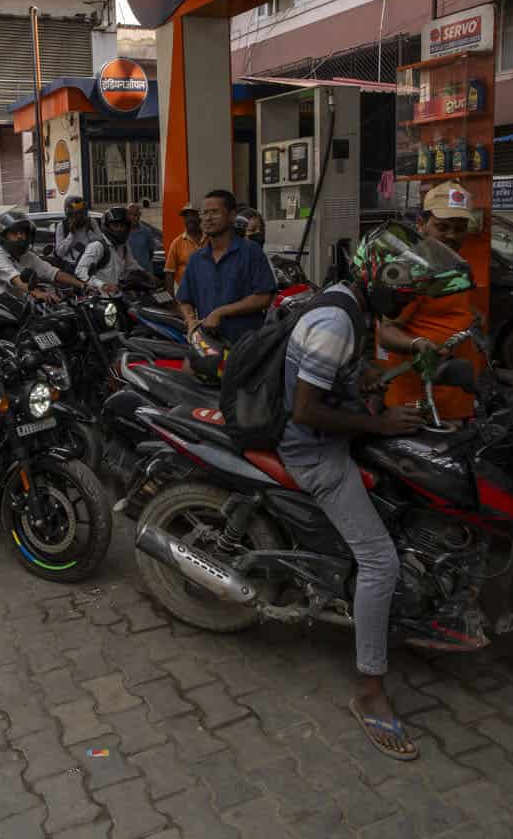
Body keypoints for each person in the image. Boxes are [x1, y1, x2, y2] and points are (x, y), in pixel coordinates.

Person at [279, 233, 429, 761]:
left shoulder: (351, 305)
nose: (407, 303)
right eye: (403, 293)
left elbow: (344, 371)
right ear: (377, 283)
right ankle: (368, 691)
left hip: (333, 433)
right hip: (312, 450)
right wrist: (380, 423)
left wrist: (376, 379)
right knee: (379, 560)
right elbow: (306, 410)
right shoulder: (336, 321)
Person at [376, 183, 485, 423]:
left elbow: (440, 310)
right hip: (421, 406)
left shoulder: (454, 266)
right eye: (442, 227)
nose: (452, 236)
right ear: (421, 225)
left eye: (459, 228)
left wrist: (470, 315)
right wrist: (418, 343)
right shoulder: (410, 272)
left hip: (455, 400)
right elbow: (386, 332)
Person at [176, 190, 276, 343]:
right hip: (208, 343)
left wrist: (220, 312)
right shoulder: (196, 259)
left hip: (246, 345)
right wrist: (190, 321)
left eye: (215, 212)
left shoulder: (251, 252)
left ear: (232, 215)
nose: (208, 218)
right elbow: (184, 299)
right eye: (204, 213)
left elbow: (264, 297)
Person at [0, 209, 84, 307]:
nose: (20, 236)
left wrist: (81, 285)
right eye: (14, 233)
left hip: (20, 305)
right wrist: (40, 294)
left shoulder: (27, 256)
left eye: (22, 232)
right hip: (0, 310)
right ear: (3, 236)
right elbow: (18, 281)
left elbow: (52, 272)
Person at [75, 204, 137, 293]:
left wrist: (148, 276)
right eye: (115, 225)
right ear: (107, 226)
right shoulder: (98, 246)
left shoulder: (123, 247)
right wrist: (102, 285)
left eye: (122, 225)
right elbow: (80, 270)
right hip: (99, 299)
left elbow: (132, 265)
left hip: (117, 297)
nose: (119, 229)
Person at [164, 203, 205, 293]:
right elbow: (169, 272)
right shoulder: (177, 243)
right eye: (186, 217)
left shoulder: (210, 240)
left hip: (207, 292)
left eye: (192, 215)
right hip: (184, 293)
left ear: (199, 218)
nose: (189, 219)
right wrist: (171, 298)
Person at [53, 195, 100, 264]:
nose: (79, 217)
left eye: (81, 213)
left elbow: (101, 244)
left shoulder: (91, 223)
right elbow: (60, 252)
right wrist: (71, 234)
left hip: (90, 264)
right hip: (71, 266)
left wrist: (89, 232)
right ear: (69, 214)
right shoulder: (62, 226)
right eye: (76, 214)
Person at [125, 201, 158, 273]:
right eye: (130, 214)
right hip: (128, 273)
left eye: (135, 215)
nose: (132, 217)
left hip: (145, 271)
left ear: (139, 215)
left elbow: (151, 252)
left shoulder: (146, 232)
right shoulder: (122, 231)